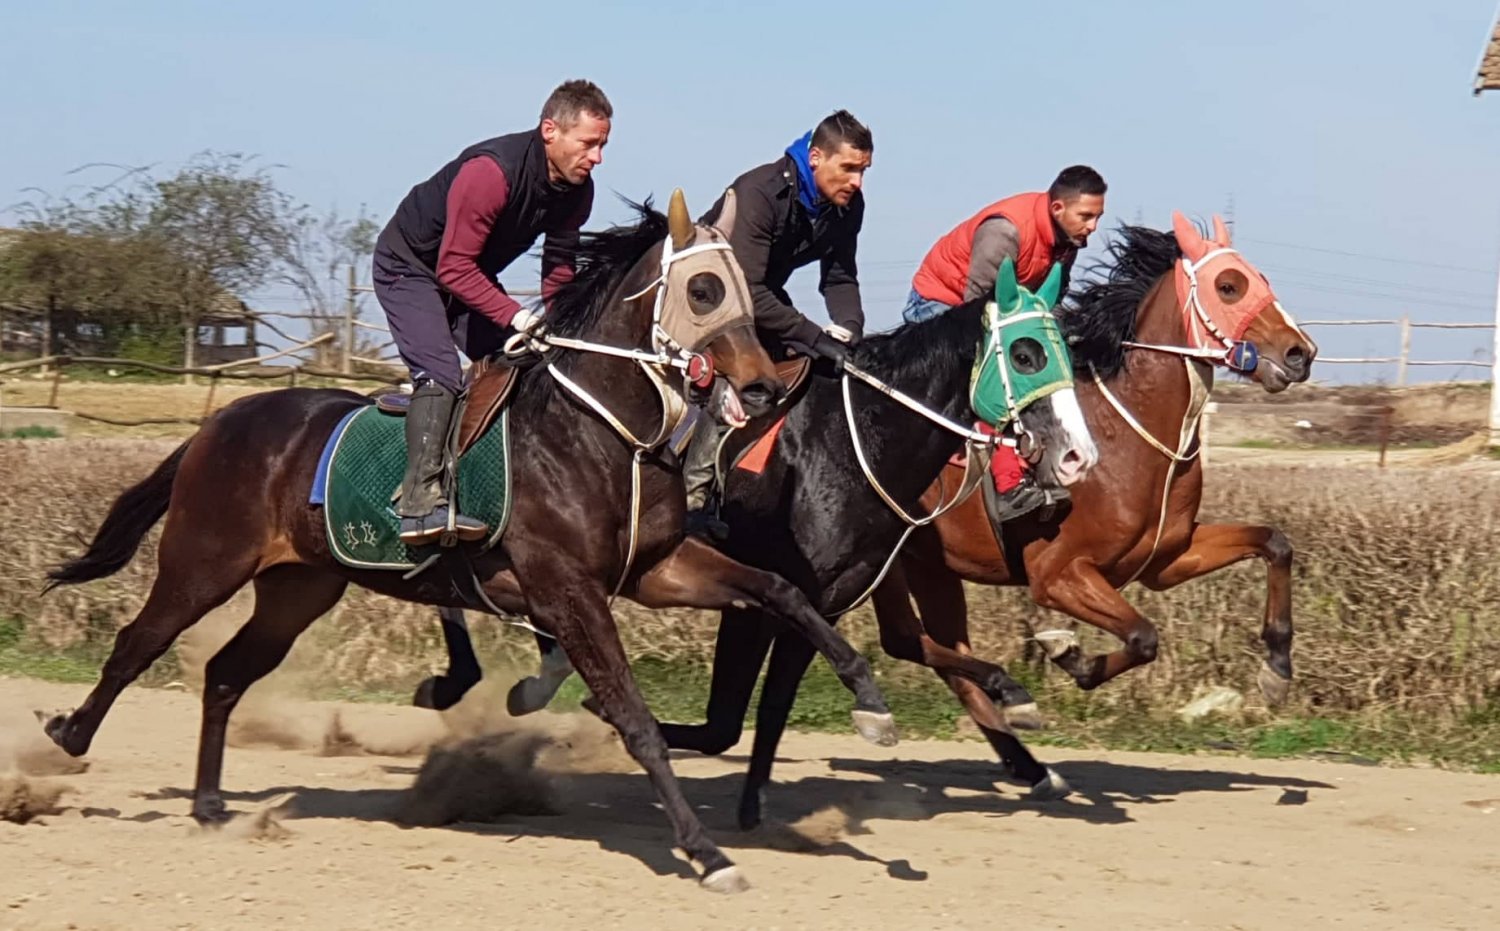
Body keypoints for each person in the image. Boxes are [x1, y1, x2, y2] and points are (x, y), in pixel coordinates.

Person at [372, 80, 611, 545]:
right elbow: (452, 267)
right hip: (411, 269)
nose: (597, 157)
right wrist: (517, 317)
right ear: (550, 131)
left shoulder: (578, 191)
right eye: (588, 143)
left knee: (531, 365)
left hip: (467, 275)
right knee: (441, 375)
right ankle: (419, 504)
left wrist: (560, 330)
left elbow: (558, 270)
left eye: (602, 145)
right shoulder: (490, 173)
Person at [684, 109, 875, 537]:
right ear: (816, 158)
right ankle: (692, 501)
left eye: (863, 170)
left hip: (757, 301)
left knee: (821, 371)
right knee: (740, 382)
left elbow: (840, 277)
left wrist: (849, 332)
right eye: (848, 168)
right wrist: (815, 337)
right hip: (709, 304)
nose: (857, 182)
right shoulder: (759, 193)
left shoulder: (848, 207)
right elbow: (748, 292)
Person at [904, 165, 1106, 521]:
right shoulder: (1005, 232)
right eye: (1086, 216)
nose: (1093, 227)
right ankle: (1008, 485)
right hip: (942, 303)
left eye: (1097, 217)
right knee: (995, 375)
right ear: (1058, 208)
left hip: (1004, 311)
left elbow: (1048, 304)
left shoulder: (1068, 241)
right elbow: (975, 311)